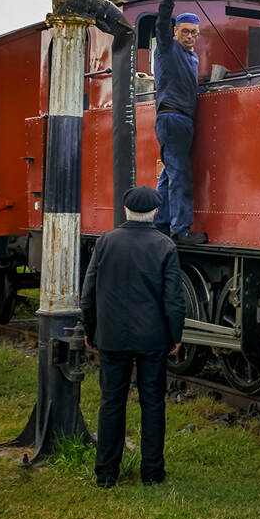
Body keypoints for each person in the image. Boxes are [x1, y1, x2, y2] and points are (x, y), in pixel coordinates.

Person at [81, 185, 186, 488]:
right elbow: (174, 299)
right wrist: (175, 335)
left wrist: (90, 330)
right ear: (154, 213)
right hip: (153, 340)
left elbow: (88, 293)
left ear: (126, 211)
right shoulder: (165, 246)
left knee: (111, 401)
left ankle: (105, 474)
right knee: (153, 403)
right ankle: (152, 474)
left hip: (112, 337)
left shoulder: (105, 243)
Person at [153, 0, 207, 245]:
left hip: (180, 119)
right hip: (173, 117)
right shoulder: (166, 48)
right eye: (185, 32)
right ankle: (181, 229)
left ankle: (161, 224)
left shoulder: (192, 57)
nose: (189, 36)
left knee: (168, 175)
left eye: (193, 33)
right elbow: (161, 22)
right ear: (176, 32)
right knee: (181, 175)